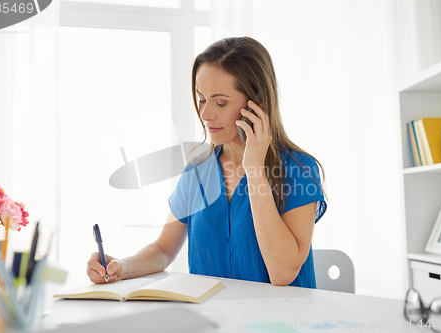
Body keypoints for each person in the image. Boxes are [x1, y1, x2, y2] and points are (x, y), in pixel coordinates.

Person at [87, 36, 327, 288]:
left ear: (257, 105)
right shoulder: (197, 169)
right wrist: (122, 268)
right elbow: (164, 248)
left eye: (220, 102)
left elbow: (282, 272)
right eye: (201, 98)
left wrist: (254, 169)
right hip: (215, 321)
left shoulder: (299, 170)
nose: (205, 114)